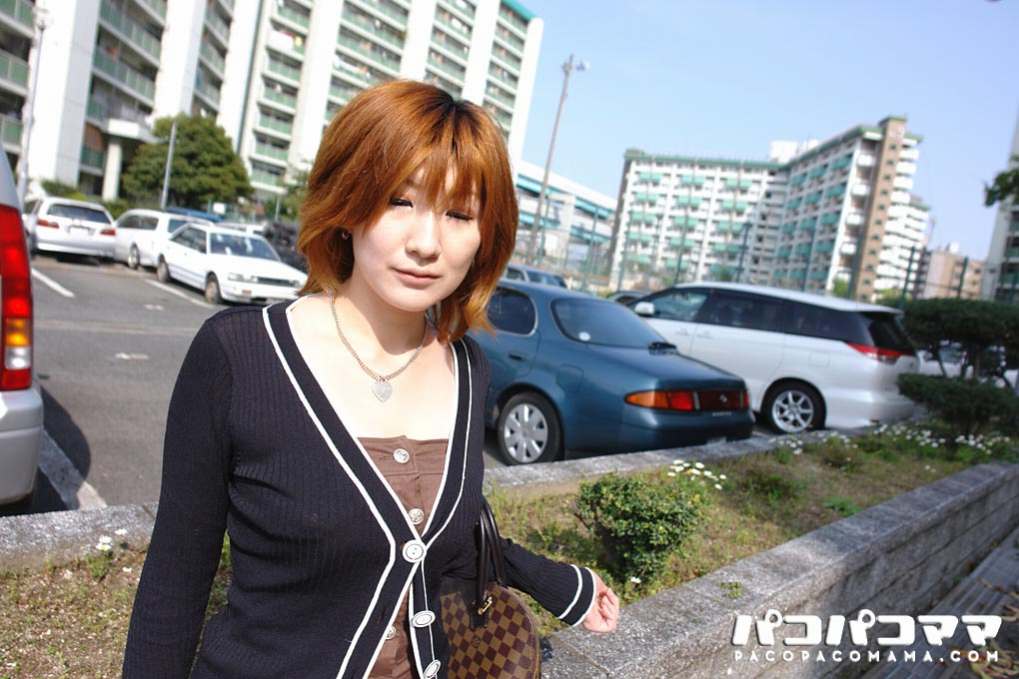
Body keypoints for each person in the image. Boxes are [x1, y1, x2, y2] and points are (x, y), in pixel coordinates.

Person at [122, 80, 619, 679]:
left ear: (485, 237)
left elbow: (442, 533)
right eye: (399, 201)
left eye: (459, 214)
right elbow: (175, 577)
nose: (426, 244)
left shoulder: (467, 368)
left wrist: (558, 582)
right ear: (348, 204)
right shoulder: (240, 354)